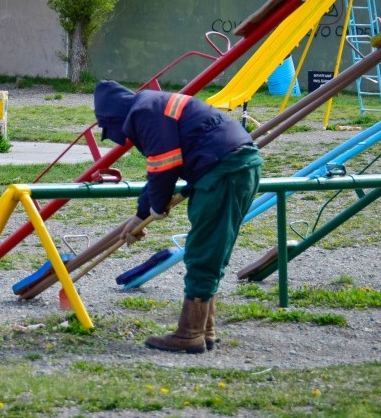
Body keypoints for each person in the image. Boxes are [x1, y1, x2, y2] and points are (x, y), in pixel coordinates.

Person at [94, 80, 263, 354]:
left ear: (113, 117)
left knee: (204, 251)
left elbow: (164, 166)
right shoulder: (150, 104)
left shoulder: (143, 113)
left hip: (222, 170)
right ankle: (205, 330)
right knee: (212, 249)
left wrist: (157, 209)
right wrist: (140, 216)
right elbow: (160, 168)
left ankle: (190, 333)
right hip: (234, 165)